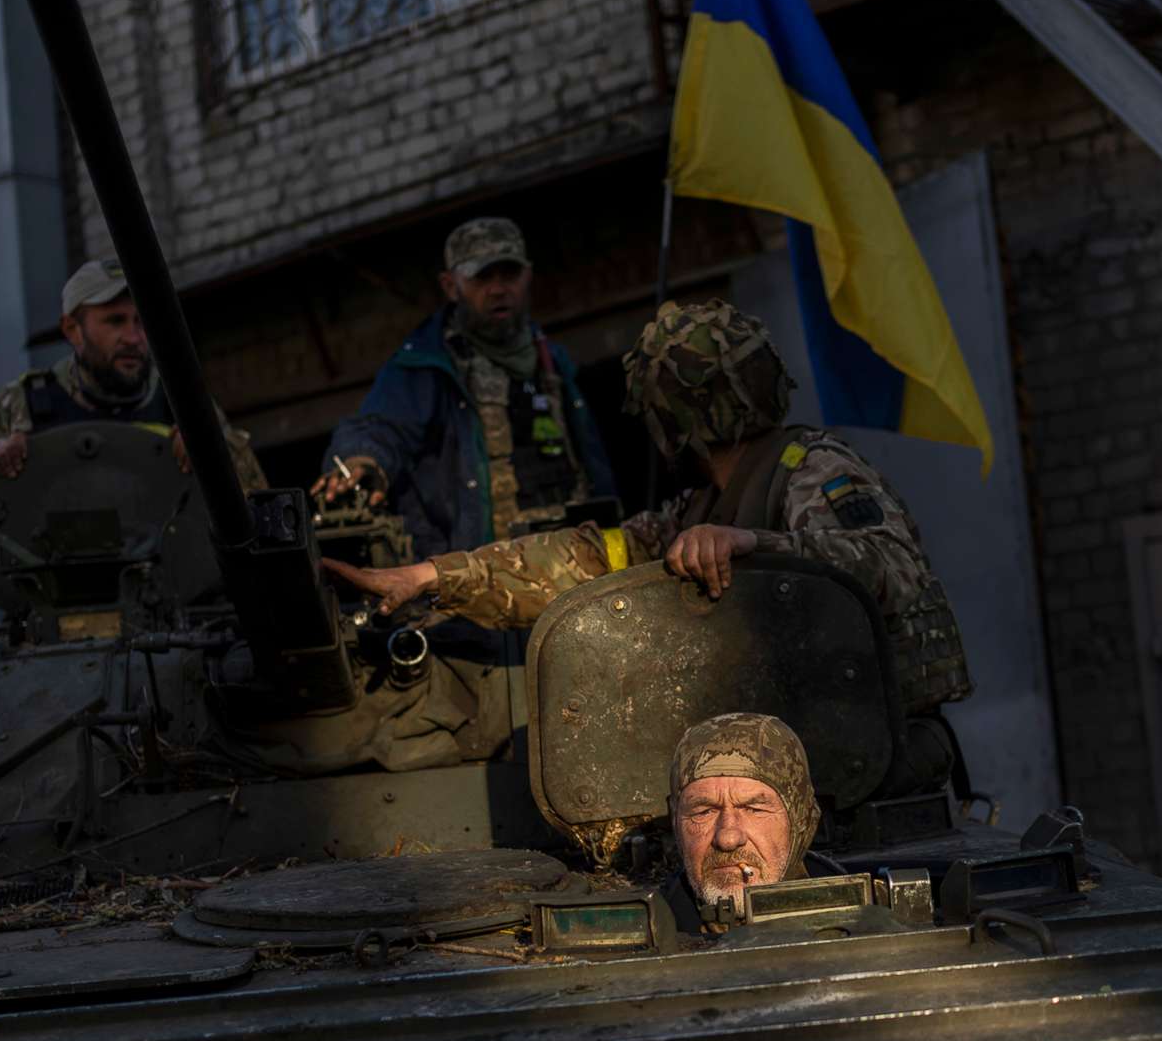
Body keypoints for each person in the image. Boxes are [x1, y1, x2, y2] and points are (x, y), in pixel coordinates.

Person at [323, 298, 971, 795]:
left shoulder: (809, 468)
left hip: (870, 757)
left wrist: (752, 542)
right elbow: (577, 561)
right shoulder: (691, 512)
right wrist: (431, 577)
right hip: (776, 759)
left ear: (672, 417)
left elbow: (892, 563)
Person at [311, 217, 614, 557]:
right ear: (451, 285)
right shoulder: (427, 365)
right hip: (486, 576)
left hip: (574, 558)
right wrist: (363, 460)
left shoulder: (555, 361)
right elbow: (380, 426)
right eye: (482, 277)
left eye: (509, 275)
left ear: (528, 275)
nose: (498, 289)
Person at [0, 258, 265, 555]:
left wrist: (215, 463)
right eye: (115, 321)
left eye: (140, 321)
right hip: (53, 600)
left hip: (172, 599)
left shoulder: (184, 402)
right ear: (72, 330)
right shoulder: (20, 405)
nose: (133, 337)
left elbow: (258, 515)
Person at [667, 712, 818, 930]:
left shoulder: (863, 919)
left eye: (754, 809)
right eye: (703, 812)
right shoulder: (654, 929)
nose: (728, 838)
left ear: (801, 821)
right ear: (676, 825)